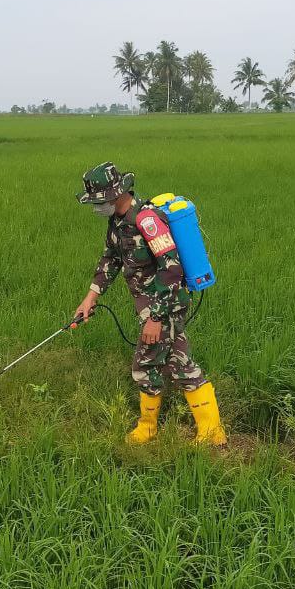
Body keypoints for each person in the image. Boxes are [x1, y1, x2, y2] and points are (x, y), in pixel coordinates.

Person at [73, 162, 226, 446]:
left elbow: (172, 270)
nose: (97, 207)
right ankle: (213, 432)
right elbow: (111, 260)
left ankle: (147, 429)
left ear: (117, 193)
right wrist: (90, 298)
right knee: (179, 362)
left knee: (145, 364)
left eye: (100, 199)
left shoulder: (147, 221)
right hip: (152, 307)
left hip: (165, 304)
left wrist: (155, 318)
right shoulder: (117, 222)